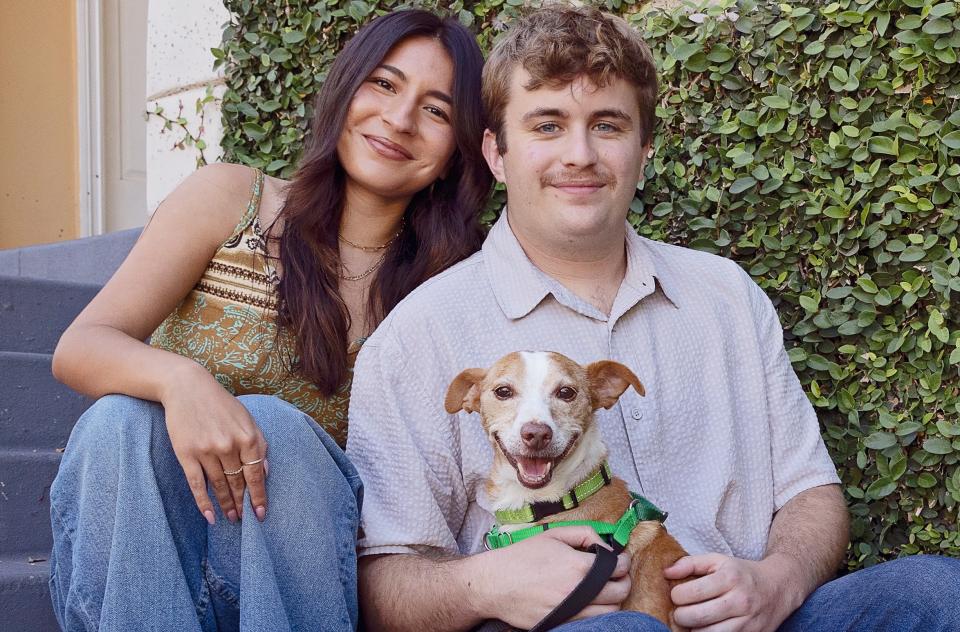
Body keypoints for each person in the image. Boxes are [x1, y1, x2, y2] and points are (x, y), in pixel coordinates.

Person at [346, 6, 960, 632]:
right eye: (548, 125)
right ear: (497, 154)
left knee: (939, 592)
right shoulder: (418, 335)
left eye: (607, 126)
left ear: (643, 152)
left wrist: (777, 581)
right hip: (577, 625)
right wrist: (483, 586)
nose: (579, 155)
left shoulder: (726, 296)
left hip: (747, 624)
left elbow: (810, 493)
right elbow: (383, 580)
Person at [48, 9, 490, 631]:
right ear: (346, 89)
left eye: (437, 110)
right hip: (148, 559)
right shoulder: (231, 199)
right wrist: (182, 382)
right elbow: (80, 346)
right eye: (384, 85)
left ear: (457, 152)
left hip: (291, 575)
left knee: (279, 429)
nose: (399, 118)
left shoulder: (451, 285)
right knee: (118, 421)